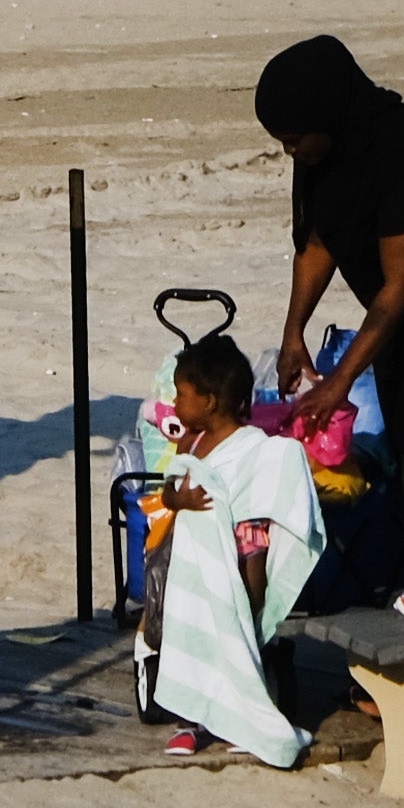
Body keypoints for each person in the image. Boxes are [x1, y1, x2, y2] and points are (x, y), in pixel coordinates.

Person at [256, 33, 404, 587]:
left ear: (326, 114)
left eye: (294, 140)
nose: (292, 153)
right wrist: (295, 332)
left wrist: (340, 380)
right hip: (399, 327)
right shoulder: (325, 146)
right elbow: (318, 242)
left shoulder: (402, 149)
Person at [134, 326, 324, 769]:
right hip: (197, 559)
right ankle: (195, 719)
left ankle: (245, 702)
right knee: (197, 623)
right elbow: (168, 492)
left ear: (209, 401)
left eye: (181, 395)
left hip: (244, 548)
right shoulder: (191, 443)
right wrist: (178, 500)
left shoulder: (254, 446)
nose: (175, 405)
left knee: (243, 621)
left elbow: (271, 485)